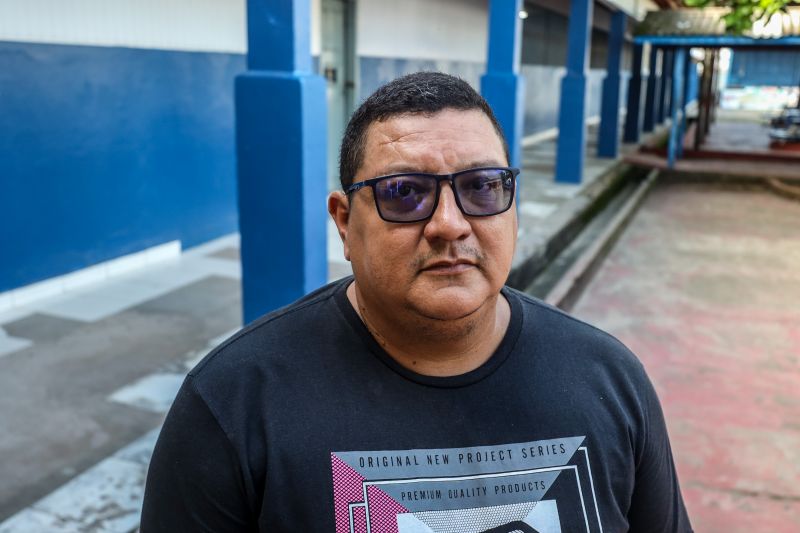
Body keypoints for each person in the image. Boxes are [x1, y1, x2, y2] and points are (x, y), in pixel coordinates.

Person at [140, 71, 692, 532]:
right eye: (404, 193)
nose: (449, 225)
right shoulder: (233, 405)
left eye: (482, 186)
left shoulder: (609, 380)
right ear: (344, 222)